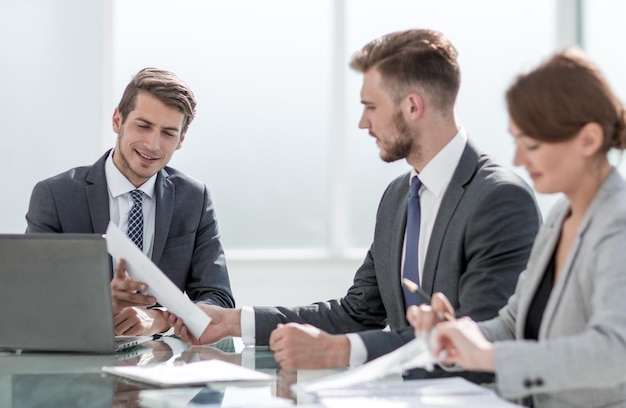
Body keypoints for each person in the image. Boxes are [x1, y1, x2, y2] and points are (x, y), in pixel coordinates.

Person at [168, 29, 541, 377]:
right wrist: (234, 321)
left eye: (370, 106)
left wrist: (338, 352)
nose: (363, 122)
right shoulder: (398, 197)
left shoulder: (500, 199)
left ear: (412, 106)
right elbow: (358, 312)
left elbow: (479, 339)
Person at [408, 48, 626, 407]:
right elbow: (513, 325)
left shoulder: (617, 222)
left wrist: (488, 358)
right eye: (516, 141)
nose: (518, 160)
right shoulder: (560, 216)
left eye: (533, 145)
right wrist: (460, 335)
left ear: (589, 139)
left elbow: (613, 352)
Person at [26, 67, 235, 336]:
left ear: (181, 139)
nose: (153, 144)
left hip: (163, 362)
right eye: (143, 126)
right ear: (117, 120)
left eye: (168, 133)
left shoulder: (194, 199)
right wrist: (104, 303)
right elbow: (33, 299)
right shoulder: (56, 196)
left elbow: (218, 299)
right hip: (78, 352)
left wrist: (159, 319)